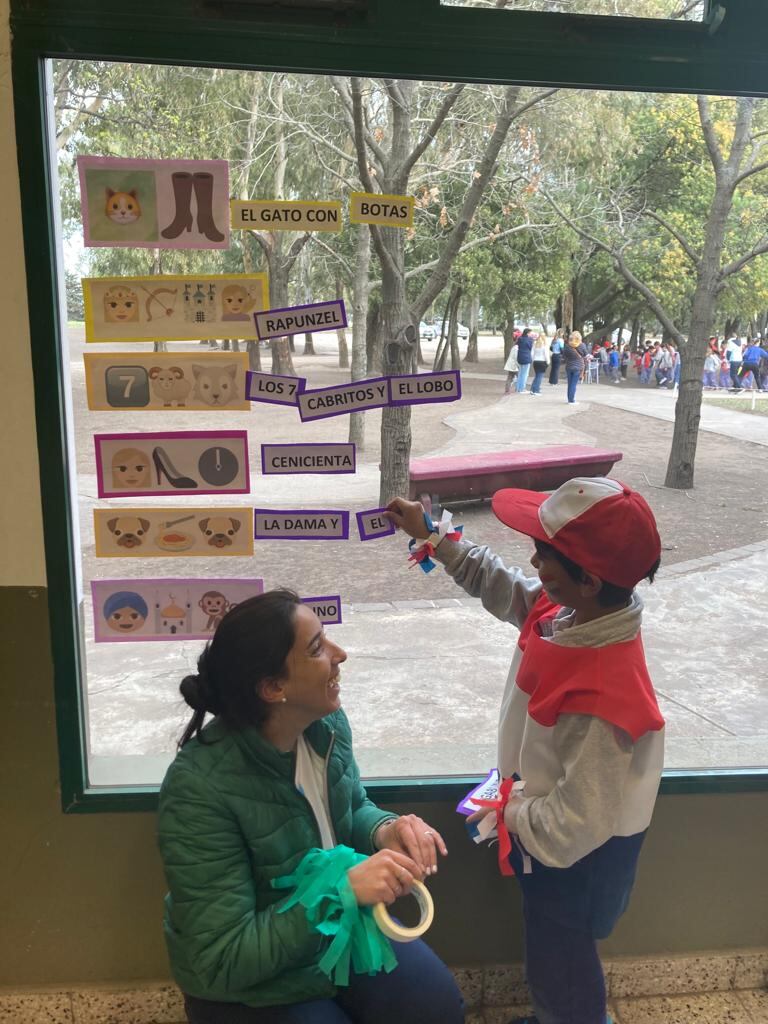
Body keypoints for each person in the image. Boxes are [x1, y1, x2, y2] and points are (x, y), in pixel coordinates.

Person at [386, 478, 664, 1024]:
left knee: (562, 959)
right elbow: (501, 585)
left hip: (576, 857)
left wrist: (505, 808)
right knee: (551, 947)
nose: (533, 558)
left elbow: (574, 825)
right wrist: (434, 538)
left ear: (587, 579)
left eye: (545, 554)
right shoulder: (568, 613)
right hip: (547, 828)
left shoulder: (606, 697)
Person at [157, 590, 464, 1024]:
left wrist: (385, 831)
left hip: (334, 933)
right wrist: (341, 894)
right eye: (318, 648)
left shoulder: (326, 724)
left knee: (437, 1007)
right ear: (273, 687)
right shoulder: (197, 789)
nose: (341, 654)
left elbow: (350, 808)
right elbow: (221, 957)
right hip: (249, 985)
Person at [563, 330, 587, 403]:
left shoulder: (567, 346)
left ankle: (569, 399)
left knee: (570, 384)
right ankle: (572, 400)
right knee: (574, 384)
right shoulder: (582, 345)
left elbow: (564, 356)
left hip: (569, 366)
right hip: (578, 367)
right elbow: (585, 354)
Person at [515, 328, 534, 393]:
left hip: (520, 357)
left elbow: (517, 345)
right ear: (528, 333)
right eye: (530, 333)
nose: (531, 334)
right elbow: (530, 348)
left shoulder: (520, 339)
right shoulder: (530, 340)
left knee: (520, 373)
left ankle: (518, 388)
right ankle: (522, 389)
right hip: (526, 358)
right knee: (525, 374)